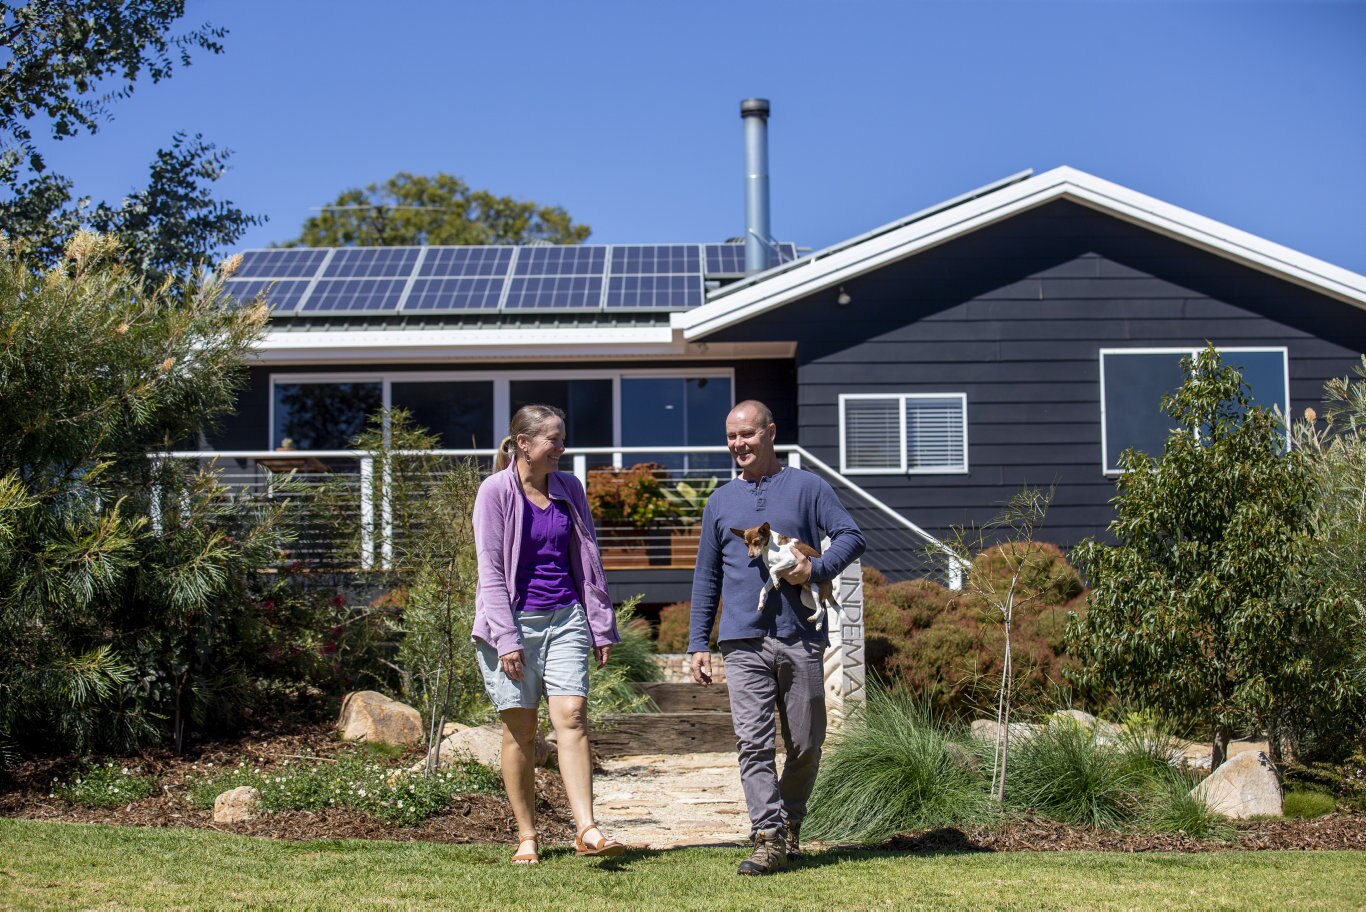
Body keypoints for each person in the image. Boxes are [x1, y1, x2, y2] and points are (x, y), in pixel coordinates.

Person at [689, 399, 865, 875]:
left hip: (800, 636)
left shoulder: (808, 487)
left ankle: (789, 822)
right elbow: (707, 577)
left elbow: (851, 536)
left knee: (807, 744)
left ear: (770, 432)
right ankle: (767, 836)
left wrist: (817, 567)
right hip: (741, 641)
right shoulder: (720, 502)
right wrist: (697, 643)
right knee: (754, 743)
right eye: (731, 437)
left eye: (746, 434)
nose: (737, 444)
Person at [472, 403, 625, 864]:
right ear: (524, 443)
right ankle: (527, 836)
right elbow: (491, 571)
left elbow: (588, 559)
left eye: (562, 438)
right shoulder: (494, 492)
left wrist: (600, 624)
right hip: (511, 622)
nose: (562, 447)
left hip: (565, 617)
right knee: (520, 729)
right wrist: (506, 638)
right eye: (553, 440)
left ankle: (587, 829)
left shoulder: (569, 488)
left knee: (573, 716)